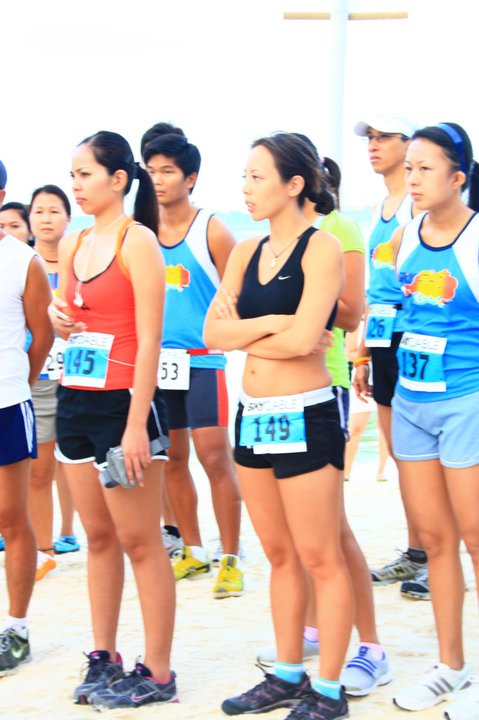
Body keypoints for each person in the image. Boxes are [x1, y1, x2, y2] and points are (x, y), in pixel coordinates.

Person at [204, 132, 352, 720]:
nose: (246, 188)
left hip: (307, 414)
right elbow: (214, 336)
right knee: (279, 554)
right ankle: (288, 674)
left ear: (295, 185)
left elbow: (304, 339)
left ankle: (331, 690)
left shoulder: (322, 250)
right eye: (244, 176)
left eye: (258, 177)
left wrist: (257, 329)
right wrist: (270, 319)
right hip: (254, 417)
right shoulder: (243, 250)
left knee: (321, 556)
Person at [256, 137, 392, 698]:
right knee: (293, 535)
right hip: (270, 396)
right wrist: (283, 321)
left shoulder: (340, 233)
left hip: (325, 383)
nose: (252, 186)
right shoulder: (262, 243)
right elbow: (230, 320)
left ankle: (370, 645)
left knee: (332, 530)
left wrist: (287, 318)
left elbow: (346, 312)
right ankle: (312, 632)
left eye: (260, 175)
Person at [50, 131, 176, 709]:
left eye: (84, 174)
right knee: (98, 538)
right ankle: (104, 655)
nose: (76, 184)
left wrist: (133, 427)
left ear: (117, 179)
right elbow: (72, 317)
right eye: (72, 174)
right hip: (74, 399)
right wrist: (59, 319)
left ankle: (158, 672)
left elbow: (150, 338)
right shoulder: (76, 241)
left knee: (140, 541)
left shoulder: (139, 241)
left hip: (122, 405)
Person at [386, 123, 479, 719]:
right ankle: (450, 665)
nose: (412, 179)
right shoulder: (403, 234)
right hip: (412, 406)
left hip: (467, 403)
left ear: (457, 178)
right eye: (409, 168)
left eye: (424, 169)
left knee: (475, 540)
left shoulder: (473, 240)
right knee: (437, 541)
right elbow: (391, 306)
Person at [141, 122, 243, 597]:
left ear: (191, 177)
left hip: (204, 361)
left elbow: (240, 292)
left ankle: (230, 557)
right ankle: (194, 550)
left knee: (215, 457)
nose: (158, 179)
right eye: (151, 170)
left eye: (168, 171)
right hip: (157, 364)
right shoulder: (141, 233)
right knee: (173, 458)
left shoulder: (213, 229)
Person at [353, 113, 430, 600]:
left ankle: (435, 558)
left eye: (385, 138)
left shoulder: (419, 205)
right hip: (382, 337)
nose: (374, 146)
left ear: (410, 144)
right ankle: (417, 551)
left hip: (415, 336)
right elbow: (375, 290)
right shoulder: (381, 206)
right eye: (371, 138)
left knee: (425, 455)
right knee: (402, 454)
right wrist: (361, 351)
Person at [0, 158, 54, 675]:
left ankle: (15, 628)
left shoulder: (23, 261)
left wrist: (20, 379)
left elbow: (44, 334)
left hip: (6, 402)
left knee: (11, 519)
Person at [27, 185, 79, 582]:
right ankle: (43, 549)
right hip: (41, 377)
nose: (46, 218)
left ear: (68, 217)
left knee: (78, 465)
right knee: (41, 468)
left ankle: (71, 533)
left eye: (54, 210)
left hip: (82, 376)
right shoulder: (23, 265)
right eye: (39, 211)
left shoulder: (83, 260)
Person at [344, 326, 390, 482]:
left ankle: (381, 471)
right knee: (355, 428)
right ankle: (346, 471)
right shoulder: (356, 326)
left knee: (385, 428)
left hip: (384, 373)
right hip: (360, 373)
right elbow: (349, 353)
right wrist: (369, 357)